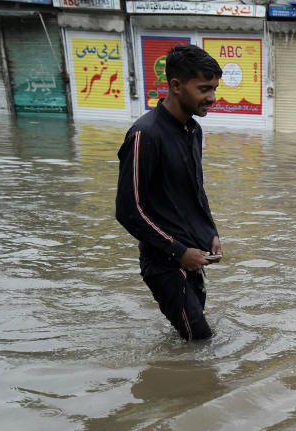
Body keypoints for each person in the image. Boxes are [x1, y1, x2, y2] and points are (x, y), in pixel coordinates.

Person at [115, 44, 223, 341]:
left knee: (189, 341)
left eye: (214, 88)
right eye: (204, 88)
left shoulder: (193, 130)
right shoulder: (144, 135)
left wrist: (210, 233)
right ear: (176, 85)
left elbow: (195, 192)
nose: (212, 98)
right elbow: (128, 210)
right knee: (201, 341)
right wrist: (179, 251)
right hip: (164, 264)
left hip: (193, 257)